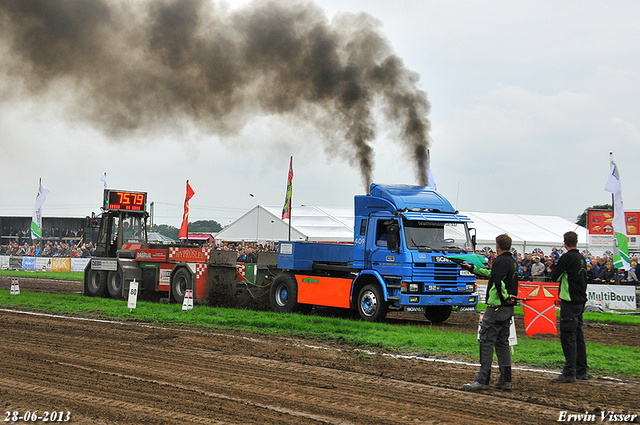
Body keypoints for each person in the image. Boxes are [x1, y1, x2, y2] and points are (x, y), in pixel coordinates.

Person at [459, 234, 518, 391]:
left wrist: (506, 297)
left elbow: (498, 281)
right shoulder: (512, 261)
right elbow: (493, 275)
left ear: (497, 245)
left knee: (486, 341)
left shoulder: (500, 261)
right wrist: (473, 268)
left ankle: (482, 379)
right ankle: (505, 379)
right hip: (507, 310)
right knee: (502, 342)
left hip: (496, 307)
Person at [550, 231, 589, 383]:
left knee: (568, 336)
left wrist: (556, 265)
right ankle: (581, 370)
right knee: (579, 336)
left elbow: (554, 276)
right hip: (580, 300)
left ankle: (569, 372)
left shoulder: (567, 257)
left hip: (570, 300)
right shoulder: (581, 258)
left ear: (564, 242)